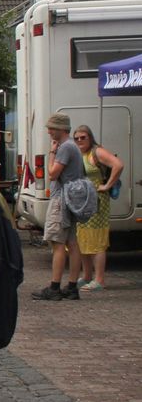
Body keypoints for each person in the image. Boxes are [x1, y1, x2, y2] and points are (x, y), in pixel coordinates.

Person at [31, 113, 86, 301]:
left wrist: (52, 153)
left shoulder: (65, 148)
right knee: (72, 242)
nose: (48, 131)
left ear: (62, 129)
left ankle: (54, 287)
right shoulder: (74, 147)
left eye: (51, 128)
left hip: (61, 199)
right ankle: (72, 286)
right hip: (71, 199)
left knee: (57, 243)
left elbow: (53, 174)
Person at [72, 124, 124, 291]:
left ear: (90, 137)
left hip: (97, 201)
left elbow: (118, 165)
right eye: (77, 138)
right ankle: (87, 276)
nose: (80, 140)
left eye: (83, 137)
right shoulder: (81, 153)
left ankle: (99, 279)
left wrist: (107, 185)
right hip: (82, 203)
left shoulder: (97, 152)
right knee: (83, 239)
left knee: (97, 239)